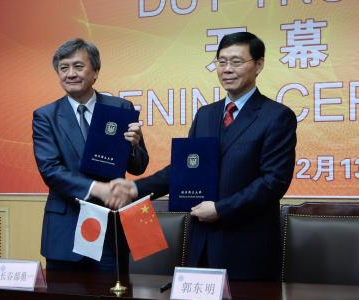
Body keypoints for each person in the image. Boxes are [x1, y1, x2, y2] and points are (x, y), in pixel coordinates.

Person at [112, 32, 297, 280]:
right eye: (221, 62)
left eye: (236, 62)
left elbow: (273, 182)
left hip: (247, 246)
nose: (227, 69)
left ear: (259, 64)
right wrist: (135, 189)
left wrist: (221, 209)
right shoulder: (206, 115)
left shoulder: (276, 116)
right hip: (202, 243)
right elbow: (183, 169)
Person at [32, 38, 148, 272]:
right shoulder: (46, 116)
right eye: (64, 68)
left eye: (78, 66)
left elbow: (138, 166)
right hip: (66, 229)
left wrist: (134, 147)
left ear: (95, 71)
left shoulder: (120, 108)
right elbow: (50, 170)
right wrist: (98, 188)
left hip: (111, 229)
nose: (70, 74)